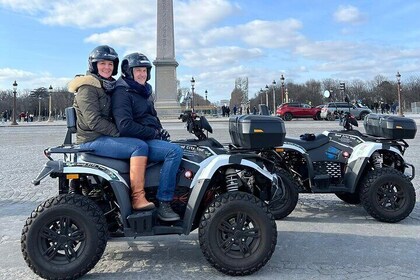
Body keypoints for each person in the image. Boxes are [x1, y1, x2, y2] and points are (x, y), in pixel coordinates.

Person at [68, 45, 154, 211]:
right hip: (92, 139)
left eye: (110, 64)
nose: (107, 67)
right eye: (102, 64)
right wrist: (119, 132)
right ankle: (137, 197)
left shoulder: (106, 85)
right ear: (94, 65)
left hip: (102, 136)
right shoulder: (87, 88)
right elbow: (93, 121)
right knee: (139, 146)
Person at [112, 52, 183, 222]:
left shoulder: (143, 91)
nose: (142, 74)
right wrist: (153, 133)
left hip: (147, 137)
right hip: (138, 141)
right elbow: (125, 125)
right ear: (129, 72)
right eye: (138, 71)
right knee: (174, 152)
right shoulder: (123, 93)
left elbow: (150, 117)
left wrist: (160, 130)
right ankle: (164, 202)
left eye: (144, 70)